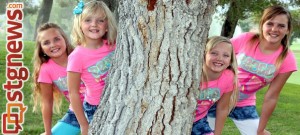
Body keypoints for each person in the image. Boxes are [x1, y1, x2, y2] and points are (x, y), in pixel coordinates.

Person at [207, 5, 298, 135]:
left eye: (281, 26)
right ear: (262, 25)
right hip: (217, 97)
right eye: (270, 23)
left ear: (288, 30)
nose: (274, 29)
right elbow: (216, 58)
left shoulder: (287, 59)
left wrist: (260, 129)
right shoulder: (246, 39)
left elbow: (271, 97)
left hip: (243, 103)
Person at [67, 1, 117, 135]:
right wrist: (84, 125)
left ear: (107, 26)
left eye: (100, 20)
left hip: (118, 100)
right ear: (80, 24)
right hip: (95, 108)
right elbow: (73, 93)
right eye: (88, 20)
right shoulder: (77, 56)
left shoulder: (114, 45)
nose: (94, 24)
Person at [32, 22, 85, 135]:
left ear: (64, 39)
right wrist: (47, 132)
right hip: (76, 112)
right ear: (41, 49)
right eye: (46, 42)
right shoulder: (46, 69)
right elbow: (47, 102)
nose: (53, 45)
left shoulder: (80, 55)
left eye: (56, 39)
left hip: (97, 104)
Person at [191, 36, 239, 135]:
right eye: (214, 53)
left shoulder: (228, 77)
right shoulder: (192, 75)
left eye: (226, 55)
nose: (219, 58)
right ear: (204, 54)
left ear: (230, 60)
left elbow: (222, 108)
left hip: (198, 121)